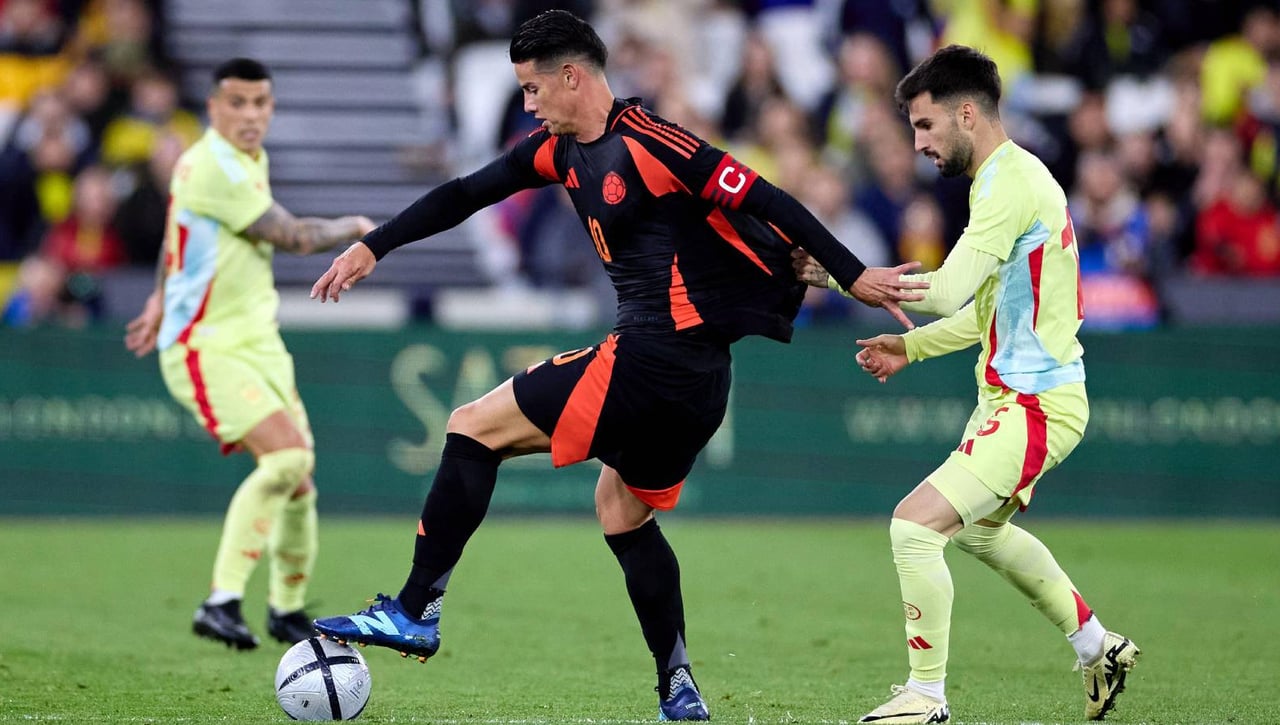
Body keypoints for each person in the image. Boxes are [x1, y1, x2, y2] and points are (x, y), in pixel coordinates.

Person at [307, 10, 925, 721]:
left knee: (473, 426)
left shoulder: (653, 142)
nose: (527, 104)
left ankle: (414, 610)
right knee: (621, 510)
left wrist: (856, 274)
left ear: (572, 77)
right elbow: (465, 193)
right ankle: (678, 686)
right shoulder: (556, 151)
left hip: (649, 360)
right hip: (700, 386)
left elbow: (769, 198)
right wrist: (373, 246)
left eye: (533, 90)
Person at [795, 45, 1140, 723]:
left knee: (912, 526)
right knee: (978, 531)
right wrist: (910, 347)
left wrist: (841, 276)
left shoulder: (1009, 184)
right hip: (1016, 399)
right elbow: (982, 314)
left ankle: (926, 695)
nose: (919, 142)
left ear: (966, 114)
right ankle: (1099, 646)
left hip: (1035, 405)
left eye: (925, 127)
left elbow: (948, 289)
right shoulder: (1002, 182)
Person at [123, 58, 375, 650]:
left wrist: (161, 294)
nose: (251, 114)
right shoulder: (210, 163)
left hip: (257, 339)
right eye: (237, 102)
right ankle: (220, 600)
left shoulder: (245, 161)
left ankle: (286, 609)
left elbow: (177, 233)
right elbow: (292, 237)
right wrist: (357, 226)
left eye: (261, 103)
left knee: (301, 482)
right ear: (213, 108)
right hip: (206, 345)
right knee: (286, 460)